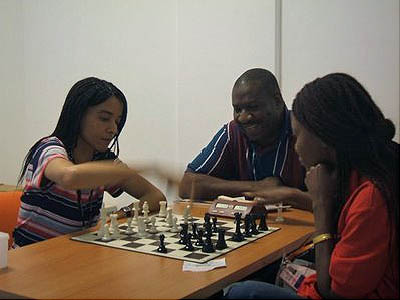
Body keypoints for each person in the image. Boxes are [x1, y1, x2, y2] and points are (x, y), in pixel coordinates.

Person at [223, 73, 399, 299]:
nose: (295, 147)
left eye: (297, 137)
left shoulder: (371, 199)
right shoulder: (370, 171)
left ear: (324, 138)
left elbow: (334, 293)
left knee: (243, 293)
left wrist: (321, 205)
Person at [13, 77, 166, 247]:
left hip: (77, 256)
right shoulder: (49, 149)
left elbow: (157, 197)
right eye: (104, 118)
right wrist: (146, 168)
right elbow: (70, 177)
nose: (113, 129)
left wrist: (124, 213)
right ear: (78, 115)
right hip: (32, 262)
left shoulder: (103, 160)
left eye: (117, 121)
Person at [179, 68, 311, 210]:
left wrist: (288, 195)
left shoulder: (305, 132)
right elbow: (186, 186)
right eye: (237, 109)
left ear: (277, 101)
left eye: (252, 107)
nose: (243, 117)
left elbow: (331, 201)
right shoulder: (233, 132)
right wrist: (257, 187)